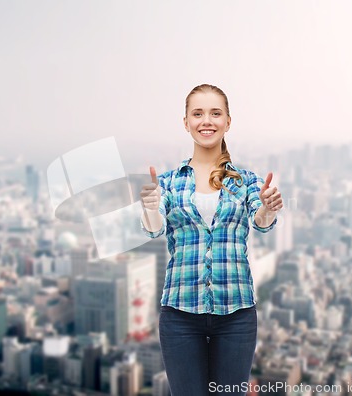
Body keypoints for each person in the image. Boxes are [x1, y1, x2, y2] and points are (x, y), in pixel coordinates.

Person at [140, 83, 283, 395]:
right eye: (198, 113)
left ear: (228, 122)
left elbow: (261, 221)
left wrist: (268, 208)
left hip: (236, 314)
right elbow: (154, 228)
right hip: (180, 315)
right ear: (186, 122)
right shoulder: (168, 182)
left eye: (215, 113)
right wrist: (150, 207)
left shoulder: (246, 181)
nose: (207, 120)